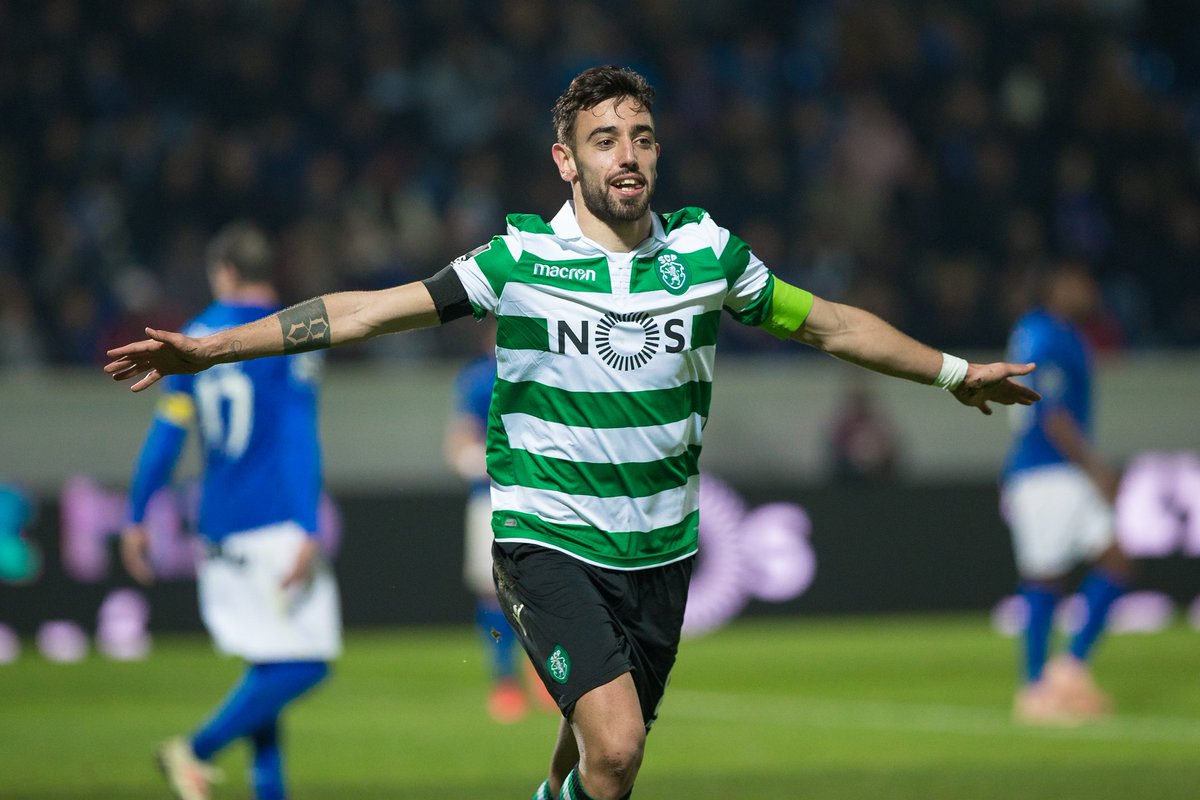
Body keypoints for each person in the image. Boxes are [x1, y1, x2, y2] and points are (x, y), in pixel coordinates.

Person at [105, 66, 1039, 800]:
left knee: (593, 767)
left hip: (661, 552)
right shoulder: (519, 259)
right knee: (620, 752)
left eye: (639, 137)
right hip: (545, 537)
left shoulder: (709, 256)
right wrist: (215, 347)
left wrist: (955, 373)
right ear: (566, 160)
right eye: (603, 140)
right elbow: (364, 312)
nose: (625, 155)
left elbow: (830, 323)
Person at [120, 221, 341, 800]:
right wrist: (309, 524)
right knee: (307, 663)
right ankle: (193, 749)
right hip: (271, 521)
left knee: (269, 666)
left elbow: (168, 434)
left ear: (225, 272)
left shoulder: (194, 333)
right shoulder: (293, 334)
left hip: (218, 525)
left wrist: (137, 513)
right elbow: (297, 434)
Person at [1001, 262, 1132, 725]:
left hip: (1061, 471)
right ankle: (1036, 689)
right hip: (1046, 471)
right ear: (1055, 286)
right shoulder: (1044, 333)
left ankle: (1068, 668)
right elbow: (1050, 411)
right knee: (1044, 578)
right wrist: (1096, 468)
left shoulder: (1062, 332)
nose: (1088, 290)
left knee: (1117, 559)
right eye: (1079, 282)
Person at [444, 319, 555, 722]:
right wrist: (487, 461)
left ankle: (544, 672)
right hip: (490, 501)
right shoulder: (478, 379)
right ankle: (504, 680)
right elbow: (458, 446)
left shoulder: (549, 369)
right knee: (494, 592)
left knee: (548, 586)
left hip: (545, 498)